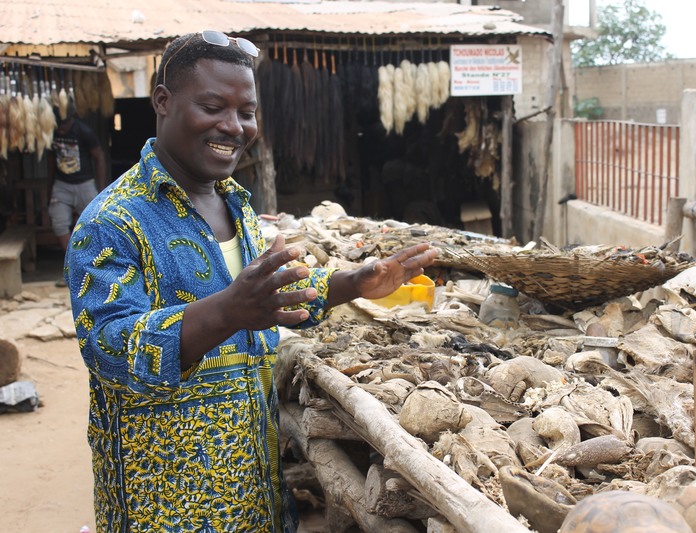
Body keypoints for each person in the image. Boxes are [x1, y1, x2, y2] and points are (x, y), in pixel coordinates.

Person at [63, 31, 437, 532]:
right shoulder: (111, 222)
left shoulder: (235, 203)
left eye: (247, 112)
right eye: (214, 106)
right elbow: (110, 350)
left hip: (255, 492)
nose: (234, 127)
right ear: (163, 102)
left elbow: (265, 302)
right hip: (167, 501)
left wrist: (353, 282)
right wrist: (227, 311)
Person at [47, 102, 106, 251]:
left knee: (94, 221)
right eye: (58, 128)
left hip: (84, 183)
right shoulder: (52, 132)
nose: (61, 131)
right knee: (58, 221)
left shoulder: (84, 131)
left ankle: (91, 258)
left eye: (63, 127)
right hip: (62, 183)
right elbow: (51, 161)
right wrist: (50, 187)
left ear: (70, 120)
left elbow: (99, 157)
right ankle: (71, 259)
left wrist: (102, 190)